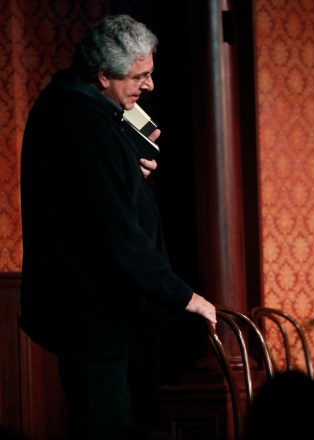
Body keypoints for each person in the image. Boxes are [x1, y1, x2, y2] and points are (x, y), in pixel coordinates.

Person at [19, 14, 217, 440]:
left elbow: (97, 195)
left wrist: (131, 172)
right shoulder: (78, 125)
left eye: (150, 73)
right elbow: (116, 233)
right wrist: (185, 296)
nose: (149, 86)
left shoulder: (88, 110)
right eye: (139, 77)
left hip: (105, 315)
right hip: (92, 317)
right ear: (103, 75)